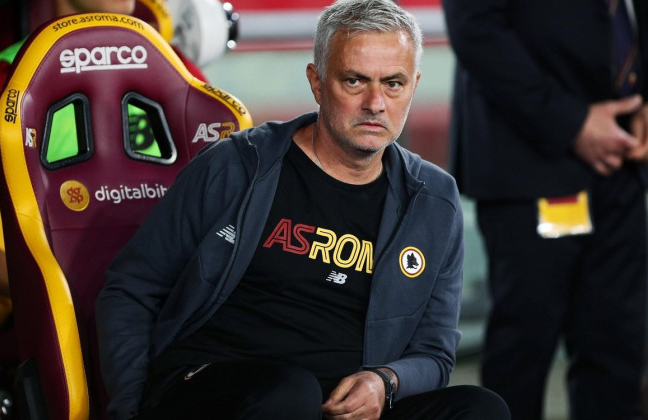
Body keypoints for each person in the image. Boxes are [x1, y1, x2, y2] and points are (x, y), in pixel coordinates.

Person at [96, 1, 511, 419]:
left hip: (335, 408)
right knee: (289, 392)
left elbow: (434, 354)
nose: (375, 102)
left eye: (393, 84)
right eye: (354, 81)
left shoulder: (434, 201)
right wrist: (130, 408)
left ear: (414, 85)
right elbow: (132, 289)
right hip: (217, 386)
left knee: (481, 409)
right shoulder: (236, 165)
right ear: (316, 82)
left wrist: (385, 381)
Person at [0, 0, 212, 405]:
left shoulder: (175, 71)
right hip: (52, 333)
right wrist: (54, 297)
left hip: (168, 316)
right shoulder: (8, 81)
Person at [442, 0, 648, 419]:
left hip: (623, 156)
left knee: (617, 344)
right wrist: (572, 123)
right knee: (525, 345)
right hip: (531, 160)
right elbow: (477, 29)